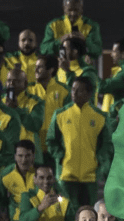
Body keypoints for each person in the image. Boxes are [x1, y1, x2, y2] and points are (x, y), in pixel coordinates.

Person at [46, 76, 111, 208]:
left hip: (90, 176)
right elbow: (51, 140)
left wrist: (99, 160)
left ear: (89, 94)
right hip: (66, 175)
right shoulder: (60, 114)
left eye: (79, 90)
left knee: (88, 213)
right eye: (73, 89)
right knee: (67, 212)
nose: (74, 93)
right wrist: (61, 157)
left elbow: (107, 144)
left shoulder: (100, 116)